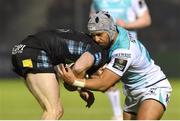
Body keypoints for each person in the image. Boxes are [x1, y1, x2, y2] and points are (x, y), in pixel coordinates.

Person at [59, 11, 172, 120]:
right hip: (132, 94)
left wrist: (75, 81)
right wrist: (81, 86)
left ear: (110, 30)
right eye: (93, 35)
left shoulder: (123, 51)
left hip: (153, 87)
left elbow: (104, 84)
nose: (96, 39)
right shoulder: (114, 33)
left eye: (99, 34)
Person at [11, 28, 108, 120]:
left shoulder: (84, 44)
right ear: (102, 69)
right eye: (99, 77)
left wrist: (80, 88)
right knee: (54, 111)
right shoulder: (99, 52)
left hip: (21, 50)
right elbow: (78, 69)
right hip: (34, 51)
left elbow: (65, 68)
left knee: (55, 110)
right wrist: (77, 85)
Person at [90, 1, 152, 119]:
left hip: (127, 48)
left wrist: (126, 24)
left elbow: (146, 19)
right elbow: (93, 20)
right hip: (107, 48)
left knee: (128, 82)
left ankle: (151, 99)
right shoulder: (97, 1)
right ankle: (118, 114)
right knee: (108, 79)